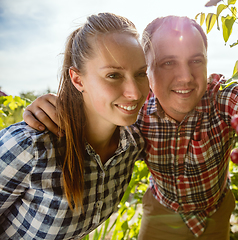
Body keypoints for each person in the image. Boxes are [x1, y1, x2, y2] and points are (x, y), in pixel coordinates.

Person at [22, 0, 238, 239]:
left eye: (195, 60)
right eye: (167, 63)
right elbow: (95, 112)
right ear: (146, 73)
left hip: (216, 209)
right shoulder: (136, 114)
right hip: (162, 212)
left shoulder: (222, 100)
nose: (185, 77)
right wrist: (53, 106)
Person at [0, 13, 149, 239]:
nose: (135, 92)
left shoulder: (132, 145)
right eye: (113, 75)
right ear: (78, 80)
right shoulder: (30, 146)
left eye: (140, 73)